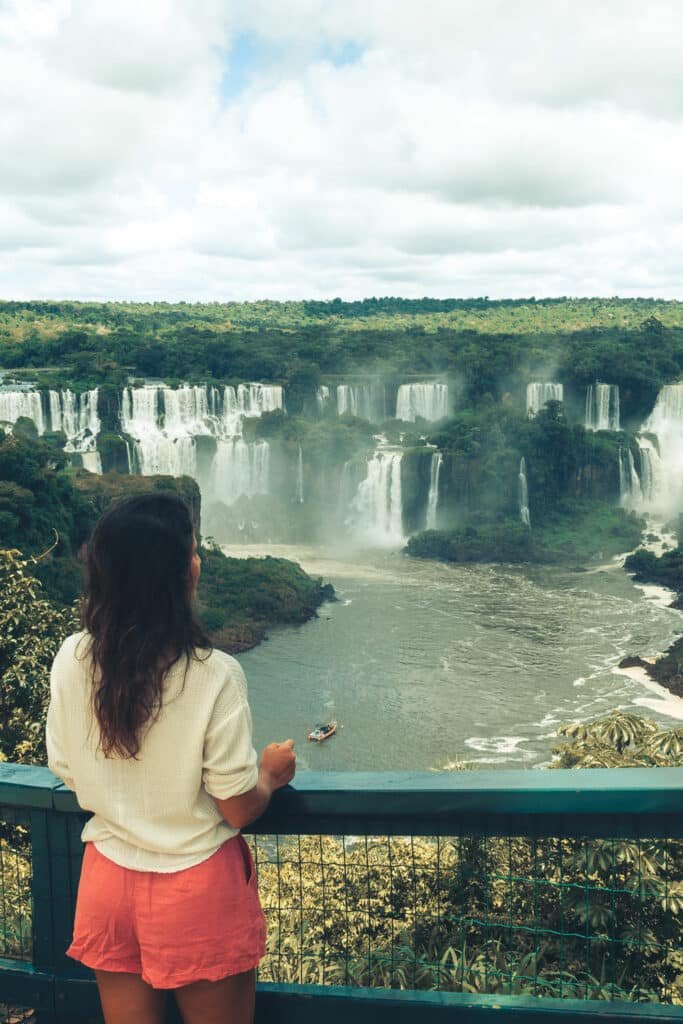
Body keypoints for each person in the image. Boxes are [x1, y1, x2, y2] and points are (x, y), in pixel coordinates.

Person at [45, 493, 296, 1024]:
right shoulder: (214, 674)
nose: (199, 559)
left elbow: (65, 767)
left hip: (107, 881)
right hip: (196, 887)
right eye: (194, 549)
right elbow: (235, 806)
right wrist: (270, 777)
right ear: (181, 573)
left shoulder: (71, 658)